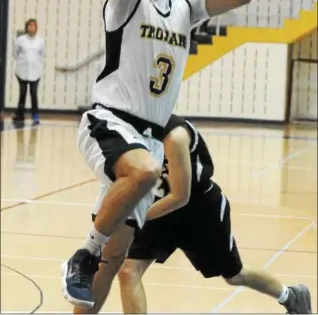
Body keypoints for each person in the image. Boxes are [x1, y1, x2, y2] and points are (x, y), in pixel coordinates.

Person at [61, 0, 251, 309]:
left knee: (117, 257)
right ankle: (81, 255)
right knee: (146, 175)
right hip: (107, 121)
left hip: (145, 136)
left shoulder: (186, 5)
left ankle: (90, 266)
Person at [74, 115, 313, 315]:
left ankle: (290, 296)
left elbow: (180, 196)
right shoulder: (124, 133)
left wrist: (133, 215)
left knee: (234, 275)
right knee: (128, 271)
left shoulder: (175, 135)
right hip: (157, 209)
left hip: (198, 210)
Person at [12, 19, 45, 126]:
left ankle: (35, 116)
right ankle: (19, 115)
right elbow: (15, 53)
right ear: (26, 27)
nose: (32, 27)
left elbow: (42, 54)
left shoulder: (40, 41)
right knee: (22, 93)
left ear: (36, 28)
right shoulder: (20, 40)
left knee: (33, 93)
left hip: (35, 72)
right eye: (30, 25)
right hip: (21, 71)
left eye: (34, 26)